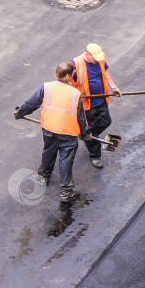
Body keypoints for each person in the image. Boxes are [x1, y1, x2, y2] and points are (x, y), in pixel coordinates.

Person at [14, 62, 90, 203]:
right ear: (67, 76)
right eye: (72, 74)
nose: (73, 76)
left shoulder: (46, 87)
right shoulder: (75, 94)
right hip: (67, 132)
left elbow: (32, 103)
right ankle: (66, 192)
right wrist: (85, 134)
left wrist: (20, 113)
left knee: (48, 151)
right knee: (65, 161)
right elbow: (81, 117)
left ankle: (43, 177)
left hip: (49, 128)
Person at [71, 43, 120, 169]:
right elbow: (66, 80)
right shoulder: (75, 64)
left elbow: (105, 71)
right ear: (87, 54)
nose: (96, 60)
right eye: (94, 57)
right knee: (93, 131)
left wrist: (113, 87)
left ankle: (86, 135)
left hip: (101, 99)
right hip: (87, 104)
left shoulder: (100, 59)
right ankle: (95, 156)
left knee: (105, 121)